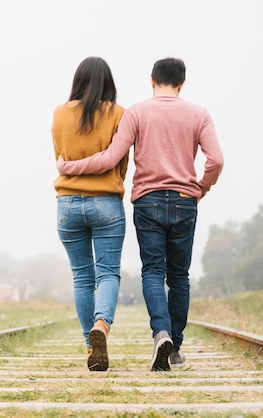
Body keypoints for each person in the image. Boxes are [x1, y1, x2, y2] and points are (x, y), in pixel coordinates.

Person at [57, 57, 224, 371]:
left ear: (151, 81)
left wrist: (69, 167)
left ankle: (160, 333)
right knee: (179, 277)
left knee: (151, 272)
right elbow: (216, 159)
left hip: (147, 201)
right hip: (185, 200)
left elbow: (110, 157)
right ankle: (174, 345)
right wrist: (201, 188)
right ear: (182, 83)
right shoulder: (199, 114)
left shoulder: (136, 113)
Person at [51, 56, 128, 371]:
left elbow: (58, 155)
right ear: (108, 82)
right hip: (106, 202)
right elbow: (120, 160)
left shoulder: (59, 113)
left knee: (82, 277)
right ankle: (102, 325)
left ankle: (89, 346)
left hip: (67, 203)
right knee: (107, 272)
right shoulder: (118, 114)